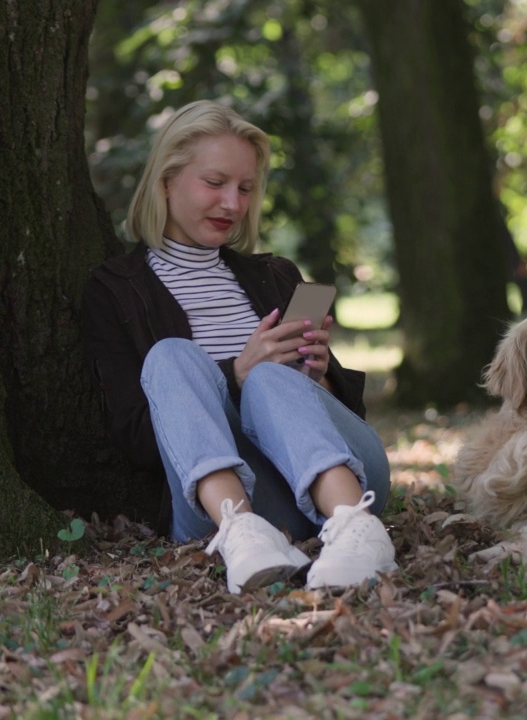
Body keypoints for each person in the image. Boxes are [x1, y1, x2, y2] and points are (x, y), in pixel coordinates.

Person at [80, 100, 396, 594]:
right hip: (221, 500)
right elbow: (138, 438)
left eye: (246, 188)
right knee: (172, 356)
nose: (233, 203)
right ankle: (244, 534)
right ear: (166, 180)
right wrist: (235, 376)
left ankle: (359, 530)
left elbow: (350, 415)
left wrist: (317, 378)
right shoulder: (116, 290)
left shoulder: (275, 275)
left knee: (274, 377)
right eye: (215, 183)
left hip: (342, 481)